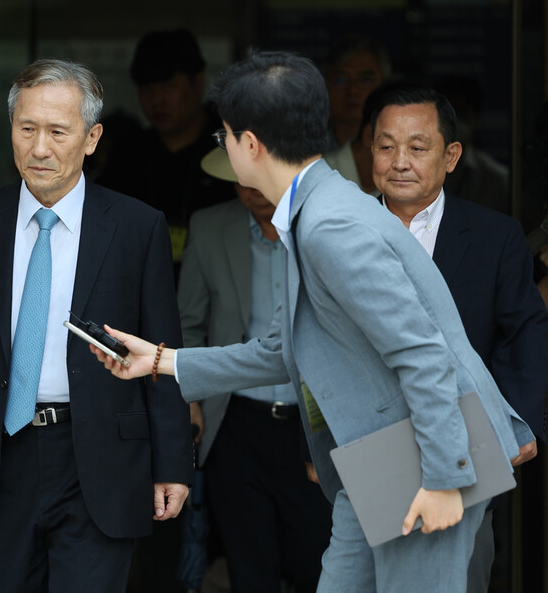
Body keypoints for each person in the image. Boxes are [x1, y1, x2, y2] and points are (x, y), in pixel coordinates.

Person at [89, 50, 533, 592]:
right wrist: (163, 361)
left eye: (223, 136)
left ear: (249, 145)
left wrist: (442, 479)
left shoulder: (330, 224)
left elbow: (421, 351)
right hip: (377, 460)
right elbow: (285, 347)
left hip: (426, 457)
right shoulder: (316, 209)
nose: (223, 147)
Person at [0, 58, 193, 593]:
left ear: (91, 138)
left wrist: (173, 462)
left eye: (58, 132)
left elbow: (160, 353)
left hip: (100, 457)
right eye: (27, 129)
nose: (40, 148)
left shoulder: (136, 227)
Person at [369, 85, 548, 592]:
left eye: (418, 147)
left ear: (451, 156)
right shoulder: (335, 231)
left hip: (466, 438)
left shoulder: (495, 236)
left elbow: (526, 332)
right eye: (386, 146)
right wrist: (313, 445)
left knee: (459, 575)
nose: (400, 162)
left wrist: (520, 424)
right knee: (369, 574)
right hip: (367, 436)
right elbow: (307, 344)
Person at [179, 147, 331, 592]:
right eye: (240, 179)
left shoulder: (323, 223)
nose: (251, 190)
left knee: (317, 561)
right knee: (249, 566)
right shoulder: (210, 227)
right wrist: (191, 399)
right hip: (236, 422)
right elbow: (188, 322)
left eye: (258, 177)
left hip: (313, 420)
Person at [97, 29, 234, 271]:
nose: (156, 100)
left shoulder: (228, 146)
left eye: (168, 86)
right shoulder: (128, 153)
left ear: (198, 82)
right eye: (147, 90)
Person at [323, 36, 390, 151]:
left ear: (384, 86)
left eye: (365, 80)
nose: (352, 90)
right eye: (341, 80)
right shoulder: (306, 155)